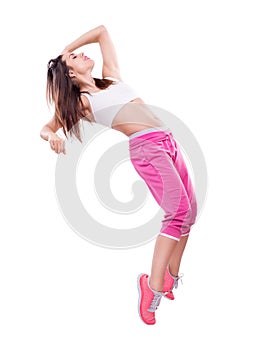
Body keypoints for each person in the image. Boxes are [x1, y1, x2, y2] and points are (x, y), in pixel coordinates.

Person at [40, 25, 197, 325]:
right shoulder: (82, 103)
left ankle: (169, 277)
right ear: (70, 74)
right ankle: (151, 288)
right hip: (146, 148)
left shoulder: (111, 76)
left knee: (190, 213)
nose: (82, 53)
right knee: (177, 213)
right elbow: (47, 128)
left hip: (168, 140)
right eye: (75, 57)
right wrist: (52, 139)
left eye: (77, 52)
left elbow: (101, 31)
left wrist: (65, 50)